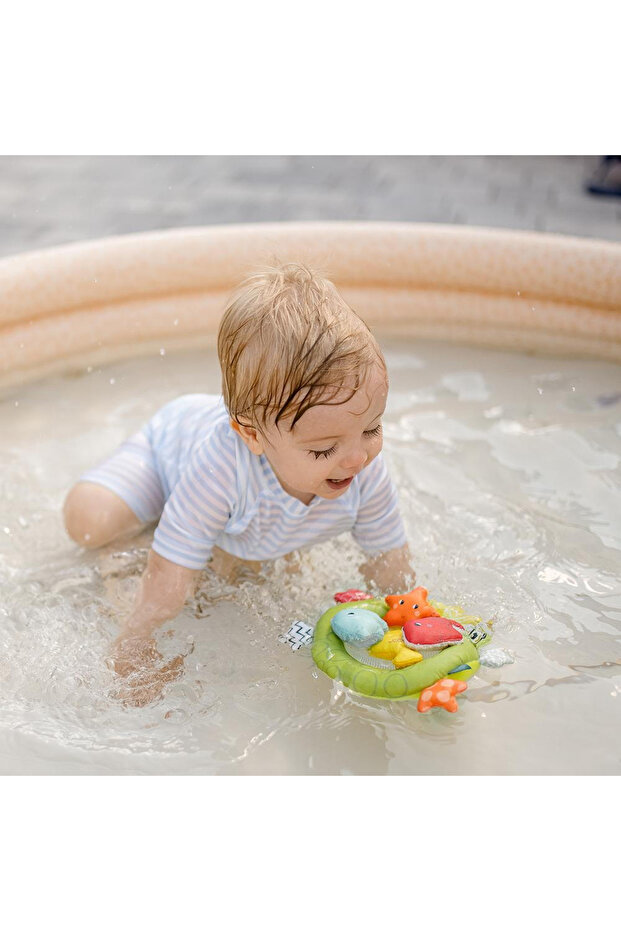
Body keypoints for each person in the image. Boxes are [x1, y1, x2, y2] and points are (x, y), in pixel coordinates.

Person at [63, 263, 415, 703]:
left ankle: (230, 540)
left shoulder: (361, 467)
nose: (357, 458)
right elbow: (167, 572)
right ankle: (154, 521)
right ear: (251, 435)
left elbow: (389, 560)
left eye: (372, 428)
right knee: (90, 522)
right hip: (164, 455)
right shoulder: (221, 467)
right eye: (324, 449)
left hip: (240, 504)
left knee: (241, 566)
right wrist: (136, 641)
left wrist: (413, 624)